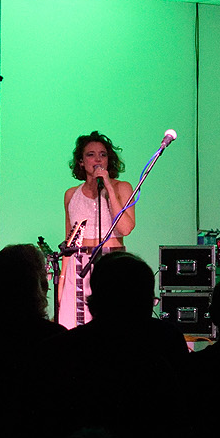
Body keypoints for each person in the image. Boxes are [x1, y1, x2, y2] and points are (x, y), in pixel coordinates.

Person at [57, 132, 136, 329]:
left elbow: (125, 228)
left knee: (112, 324)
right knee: (74, 327)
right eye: (91, 155)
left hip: (111, 262)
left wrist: (108, 186)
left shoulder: (122, 187)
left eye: (103, 154)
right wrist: (62, 281)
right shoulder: (71, 194)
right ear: (81, 161)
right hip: (78, 266)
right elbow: (69, 242)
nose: (98, 159)